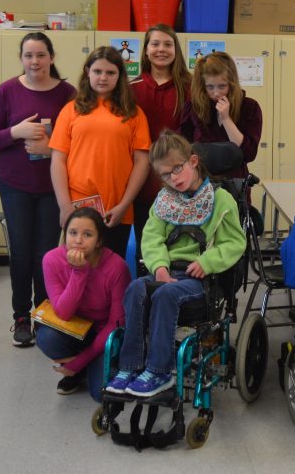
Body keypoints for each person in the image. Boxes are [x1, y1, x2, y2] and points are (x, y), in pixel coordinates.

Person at [104, 131, 246, 397]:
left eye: (177, 169)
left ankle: (160, 371)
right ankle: (130, 366)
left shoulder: (220, 199)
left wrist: (207, 261)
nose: (173, 179)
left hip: (201, 279)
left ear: (193, 161)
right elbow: (152, 238)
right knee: (135, 288)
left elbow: (235, 243)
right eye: (166, 175)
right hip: (167, 272)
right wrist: (159, 266)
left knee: (166, 294)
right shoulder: (165, 200)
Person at [0, 32, 76, 347]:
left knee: (46, 255)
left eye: (41, 55)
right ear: (22, 58)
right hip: (15, 186)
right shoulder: (8, 90)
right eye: (28, 55)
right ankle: (21, 317)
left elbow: (79, 142)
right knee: (21, 253)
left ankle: (44, 316)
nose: (35, 61)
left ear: (51, 57)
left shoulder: (68, 94)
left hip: (53, 187)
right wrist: (16, 131)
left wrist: (51, 149)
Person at [49, 46, 151, 254]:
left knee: (112, 269)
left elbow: (142, 162)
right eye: (97, 71)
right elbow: (58, 160)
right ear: (88, 72)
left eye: (110, 72)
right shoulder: (71, 110)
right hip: (78, 206)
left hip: (116, 208)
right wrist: (65, 206)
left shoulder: (134, 113)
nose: (103, 77)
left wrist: (124, 205)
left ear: (119, 76)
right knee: (78, 266)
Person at [38, 207, 131, 400]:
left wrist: (79, 362)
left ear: (99, 241)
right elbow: (63, 313)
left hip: (104, 333)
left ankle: (83, 366)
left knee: (100, 394)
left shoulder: (116, 267)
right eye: (72, 233)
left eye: (87, 234)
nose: (78, 240)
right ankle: (79, 372)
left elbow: (116, 324)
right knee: (46, 337)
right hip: (75, 328)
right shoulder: (51, 260)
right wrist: (79, 272)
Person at [130, 24, 192, 256]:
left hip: (181, 183)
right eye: (155, 44)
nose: (161, 49)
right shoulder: (131, 89)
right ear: (146, 50)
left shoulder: (190, 87)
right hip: (142, 182)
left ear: (176, 50)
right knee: (147, 248)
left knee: (181, 249)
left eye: (168, 44)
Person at [179, 51, 262, 182]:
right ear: (203, 86)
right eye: (210, 87)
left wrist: (226, 119)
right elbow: (183, 149)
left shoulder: (249, 107)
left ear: (231, 84)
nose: (216, 93)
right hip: (201, 182)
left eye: (222, 86)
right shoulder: (193, 107)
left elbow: (249, 153)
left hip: (234, 183)